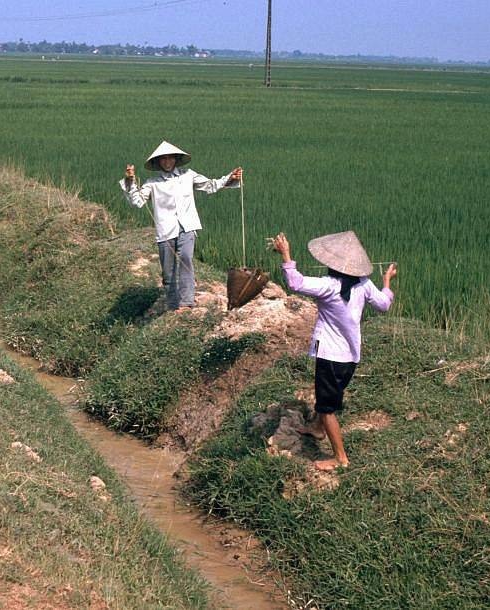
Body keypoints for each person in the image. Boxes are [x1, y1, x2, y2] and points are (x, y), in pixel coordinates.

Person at [272, 230, 397, 471]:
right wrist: (387, 282)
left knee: (328, 409)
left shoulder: (329, 286)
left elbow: (295, 282)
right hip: (350, 357)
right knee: (328, 395)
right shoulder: (364, 285)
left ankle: (340, 458)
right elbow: (384, 304)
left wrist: (286, 254)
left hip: (330, 355)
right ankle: (318, 429)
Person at [121, 141, 242, 312]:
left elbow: (210, 185)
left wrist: (230, 178)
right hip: (165, 231)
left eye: (170, 158)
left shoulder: (188, 175)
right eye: (163, 159)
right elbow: (137, 201)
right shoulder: (152, 183)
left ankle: (187, 302)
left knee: (186, 259)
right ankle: (172, 305)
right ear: (158, 162)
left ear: (176, 160)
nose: (167, 162)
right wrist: (130, 181)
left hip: (187, 226)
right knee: (169, 272)